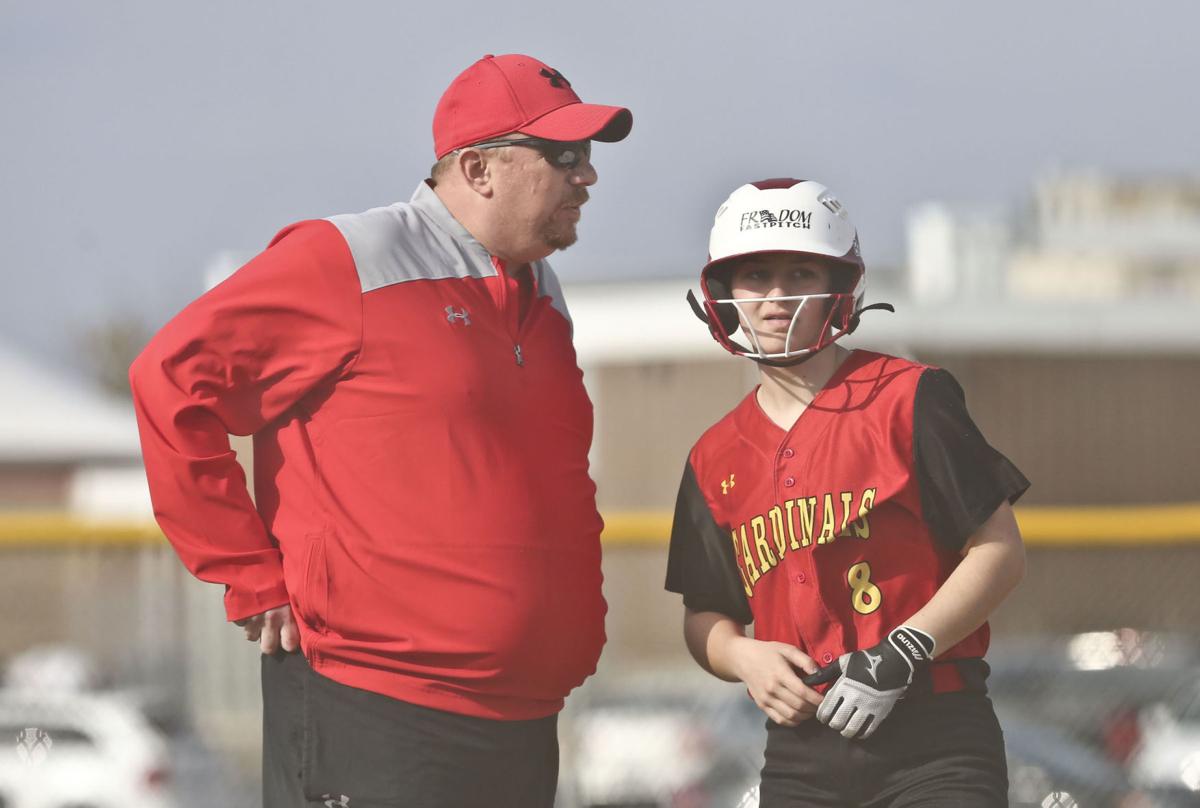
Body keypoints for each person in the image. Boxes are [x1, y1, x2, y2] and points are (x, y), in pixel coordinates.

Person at [129, 53, 631, 807]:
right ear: (479, 168)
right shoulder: (351, 257)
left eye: (587, 153)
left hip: (525, 717)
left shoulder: (543, 293)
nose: (586, 175)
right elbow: (168, 379)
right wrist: (246, 571)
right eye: (563, 155)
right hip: (374, 707)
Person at [666, 178, 1028, 806]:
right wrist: (743, 657)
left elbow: (1000, 551)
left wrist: (905, 649)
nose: (777, 297)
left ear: (841, 285)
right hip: (801, 754)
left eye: (801, 273)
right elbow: (706, 615)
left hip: (934, 735)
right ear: (724, 293)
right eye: (756, 276)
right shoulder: (713, 455)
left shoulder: (909, 397)